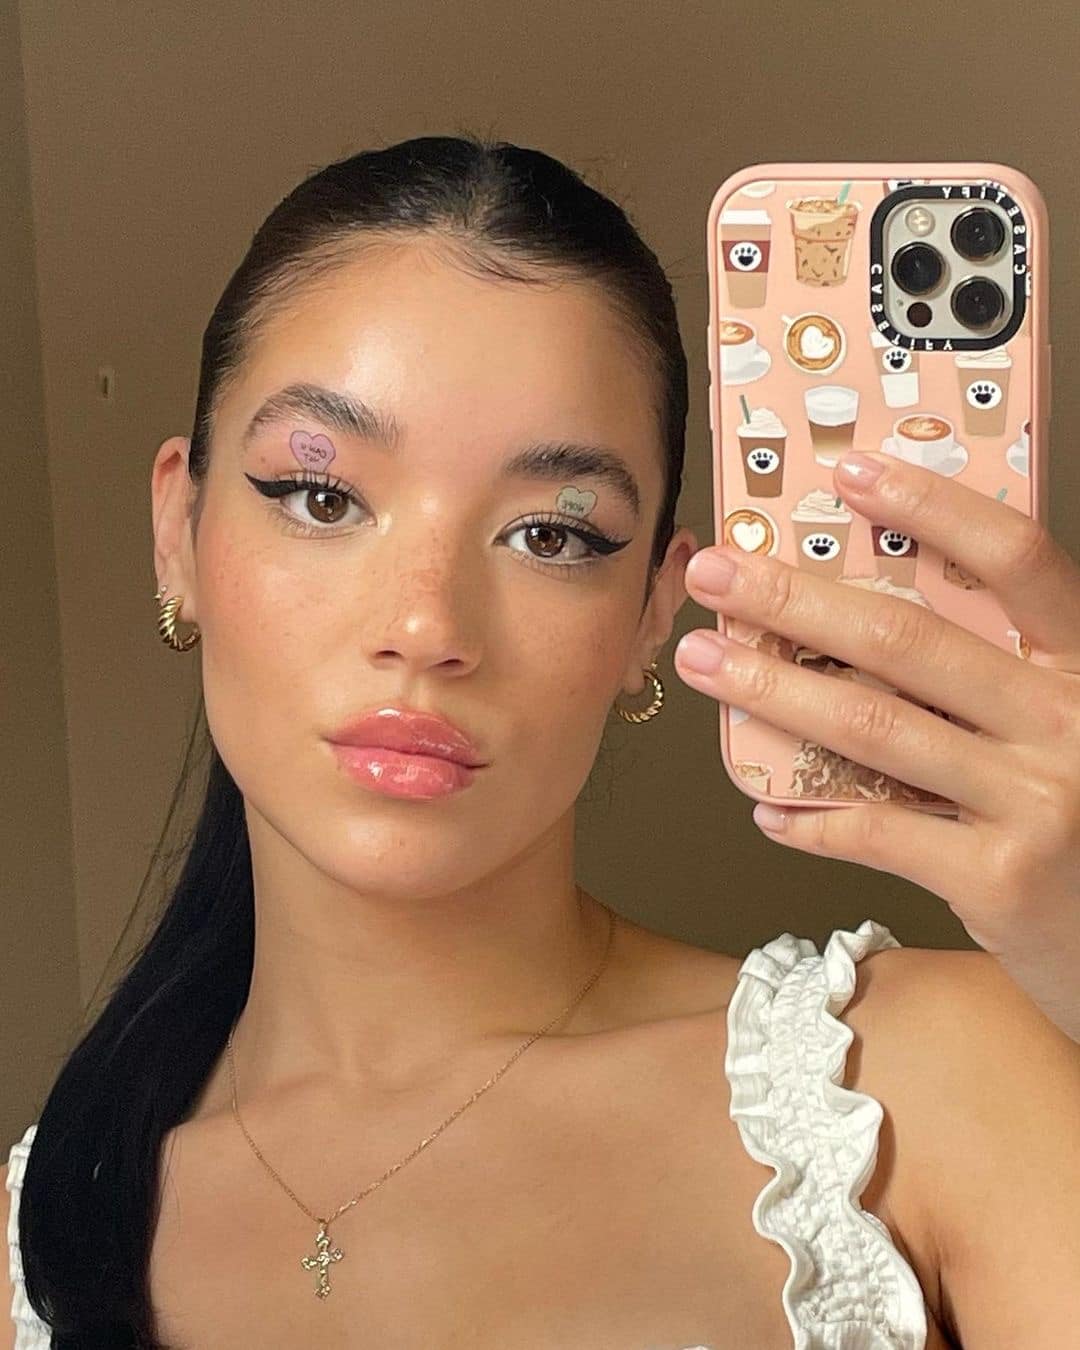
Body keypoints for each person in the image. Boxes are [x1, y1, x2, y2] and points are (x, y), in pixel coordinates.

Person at [4, 135, 1079, 1349]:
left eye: (553, 535)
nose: (427, 627)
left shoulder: (916, 1091)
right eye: (322, 496)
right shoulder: (45, 1227)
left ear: (653, 611)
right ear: (178, 531)